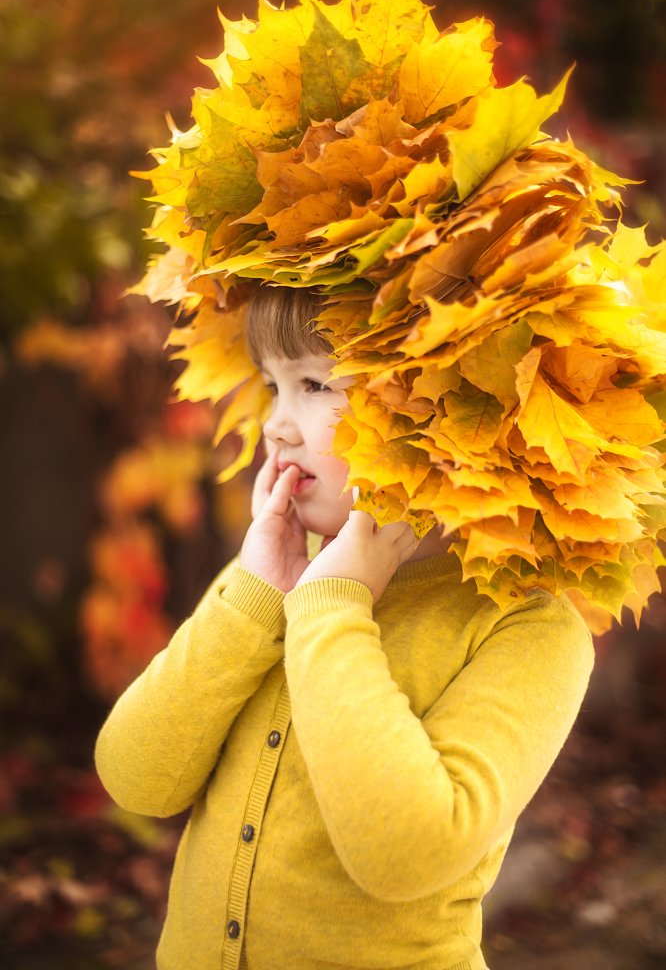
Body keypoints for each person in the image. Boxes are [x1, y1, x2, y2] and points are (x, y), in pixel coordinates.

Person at [95, 285, 594, 970]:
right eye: (273, 385)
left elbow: (407, 853)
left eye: (315, 383)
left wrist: (334, 604)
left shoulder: (526, 628)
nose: (277, 424)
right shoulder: (265, 583)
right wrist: (256, 594)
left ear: (443, 407)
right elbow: (135, 779)